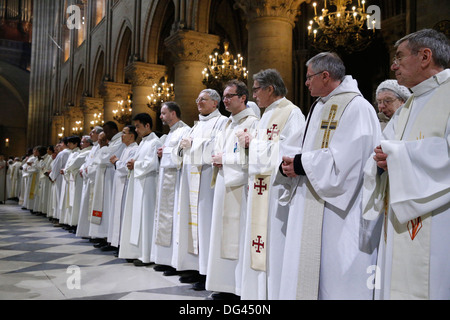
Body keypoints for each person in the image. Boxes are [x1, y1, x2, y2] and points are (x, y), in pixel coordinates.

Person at [279, 52, 381, 300]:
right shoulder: (320, 106)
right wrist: (288, 162)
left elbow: (349, 161)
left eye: (309, 77)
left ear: (325, 76)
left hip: (339, 210)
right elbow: (302, 145)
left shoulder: (357, 107)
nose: (306, 83)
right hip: (311, 198)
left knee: (336, 274)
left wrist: (302, 164)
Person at [363, 29, 450, 300]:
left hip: (438, 220)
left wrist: (397, 157)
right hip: (399, 217)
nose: (393, 65)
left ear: (425, 56)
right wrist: (380, 161)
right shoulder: (409, 104)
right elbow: (383, 148)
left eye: (399, 57)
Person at [236, 69, 305, 300]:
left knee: (274, 244)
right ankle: (256, 295)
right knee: (258, 242)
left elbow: (290, 152)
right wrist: (248, 146)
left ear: (270, 89)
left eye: (256, 89)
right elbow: (258, 151)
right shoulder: (266, 116)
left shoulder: (292, 113)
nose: (253, 95)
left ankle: (274, 295)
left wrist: (252, 144)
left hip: (277, 191)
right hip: (259, 188)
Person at [206, 80, 259, 299]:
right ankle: (224, 284)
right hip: (223, 184)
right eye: (224, 96)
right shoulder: (227, 123)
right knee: (221, 234)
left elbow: (254, 158)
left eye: (229, 96)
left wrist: (224, 159)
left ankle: (237, 287)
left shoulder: (253, 123)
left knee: (236, 237)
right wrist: (217, 158)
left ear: (243, 98)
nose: (225, 100)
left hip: (240, 188)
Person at [173, 89, 227, 286]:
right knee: (190, 224)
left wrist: (193, 144)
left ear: (215, 103)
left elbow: (216, 149)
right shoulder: (194, 126)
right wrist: (182, 146)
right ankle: (193, 267)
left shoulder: (222, 122)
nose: (198, 102)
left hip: (206, 183)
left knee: (205, 225)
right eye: (197, 99)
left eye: (203, 99)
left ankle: (206, 272)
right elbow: (179, 153)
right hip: (189, 181)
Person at [151, 102, 190, 275]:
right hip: (165, 181)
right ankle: (164, 259)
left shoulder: (185, 131)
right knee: (165, 220)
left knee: (173, 221)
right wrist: (163, 152)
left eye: (163, 113)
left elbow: (182, 155)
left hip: (175, 183)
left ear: (173, 113)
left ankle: (173, 261)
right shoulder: (170, 133)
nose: (160, 117)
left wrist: (165, 152)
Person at [119, 113, 162, 266]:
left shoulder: (154, 142)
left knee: (145, 218)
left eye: (138, 126)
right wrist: (132, 164)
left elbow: (152, 164)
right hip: (138, 182)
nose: (136, 130)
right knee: (135, 217)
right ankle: (135, 251)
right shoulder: (143, 142)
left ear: (147, 126)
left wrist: (134, 164)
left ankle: (146, 255)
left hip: (148, 184)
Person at [89, 121, 125, 249]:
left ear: (115, 130)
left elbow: (106, 157)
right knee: (105, 208)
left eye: (107, 130)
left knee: (110, 208)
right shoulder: (111, 142)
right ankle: (105, 237)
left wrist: (103, 146)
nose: (105, 133)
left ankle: (110, 239)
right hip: (105, 178)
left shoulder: (119, 141)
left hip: (111, 178)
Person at [107, 125, 138, 252]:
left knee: (123, 215)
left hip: (126, 186)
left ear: (131, 135)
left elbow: (127, 168)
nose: (122, 136)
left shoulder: (134, 149)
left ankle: (121, 244)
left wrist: (116, 162)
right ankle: (116, 242)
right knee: (117, 214)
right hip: (119, 184)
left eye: (124, 133)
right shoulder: (126, 149)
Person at [76, 126, 103, 238]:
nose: (91, 134)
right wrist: (83, 168)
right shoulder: (94, 147)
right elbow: (87, 161)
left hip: (94, 181)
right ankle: (86, 232)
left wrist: (88, 170)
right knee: (86, 207)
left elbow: (97, 165)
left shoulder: (100, 147)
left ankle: (93, 233)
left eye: (93, 132)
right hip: (88, 180)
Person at [62, 136, 92, 230]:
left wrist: (66, 170)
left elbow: (75, 163)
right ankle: (72, 223)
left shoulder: (87, 152)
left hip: (79, 180)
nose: (81, 144)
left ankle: (75, 224)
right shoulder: (80, 152)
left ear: (88, 143)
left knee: (77, 202)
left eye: (83, 142)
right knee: (73, 202)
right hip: (74, 179)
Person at [59, 136, 81, 227]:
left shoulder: (77, 153)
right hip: (67, 179)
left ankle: (72, 223)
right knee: (66, 201)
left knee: (72, 201)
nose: (68, 144)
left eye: (70, 143)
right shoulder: (72, 153)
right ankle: (66, 221)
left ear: (76, 144)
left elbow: (74, 166)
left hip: (72, 179)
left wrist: (65, 170)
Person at [49, 138, 71, 223]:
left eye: (61, 144)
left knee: (59, 198)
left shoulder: (63, 153)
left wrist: (52, 176)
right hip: (66, 177)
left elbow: (56, 167)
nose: (59, 146)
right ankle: (63, 218)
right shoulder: (71, 152)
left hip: (59, 177)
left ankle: (59, 218)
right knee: (64, 199)